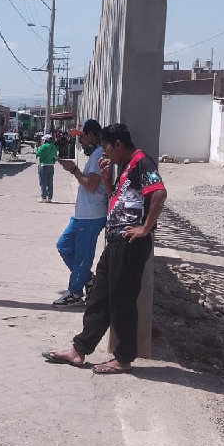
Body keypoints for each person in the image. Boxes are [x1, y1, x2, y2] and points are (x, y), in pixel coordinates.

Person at [44, 123, 167, 374]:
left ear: (118, 145)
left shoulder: (142, 162)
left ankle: (123, 358)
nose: (105, 153)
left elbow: (159, 194)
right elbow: (116, 201)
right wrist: (109, 181)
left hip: (131, 242)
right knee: (99, 297)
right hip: (115, 241)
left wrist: (145, 228)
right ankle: (79, 350)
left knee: (122, 301)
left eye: (107, 148)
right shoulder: (123, 166)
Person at [52, 120, 107, 307]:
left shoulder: (99, 154)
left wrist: (74, 169)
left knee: (83, 255)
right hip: (82, 214)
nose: (80, 142)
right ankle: (88, 279)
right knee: (64, 245)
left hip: (91, 215)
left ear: (91, 135)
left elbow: (91, 185)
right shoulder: (95, 155)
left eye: (81, 137)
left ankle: (75, 293)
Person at [35, 134, 58, 202]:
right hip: (51, 166)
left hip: (43, 166)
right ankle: (50, 197)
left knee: (43, 182)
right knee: (50, 182)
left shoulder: (43, 146)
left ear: (45, 140)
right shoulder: (54, 147)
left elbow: (38, 154)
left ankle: (43, 197)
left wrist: (39, 148)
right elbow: (55, 157)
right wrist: (52, 161)